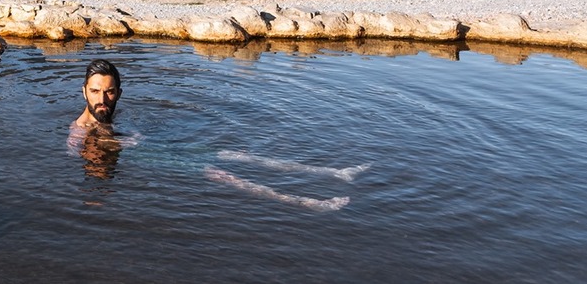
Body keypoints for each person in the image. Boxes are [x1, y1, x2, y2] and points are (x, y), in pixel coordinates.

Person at [65, 59, 365, 210]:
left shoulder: (111, 114)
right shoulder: (80, 131)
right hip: (149, 157)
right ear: (84, 92)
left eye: (109, 91)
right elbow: (84, 164)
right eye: (95, 92)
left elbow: (122, 134)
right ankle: (308, 203)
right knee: (220, 172)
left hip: (154, 147)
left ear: (119, 92)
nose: (102, 99)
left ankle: (336, 172)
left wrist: (133, 136)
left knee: (233, 154)